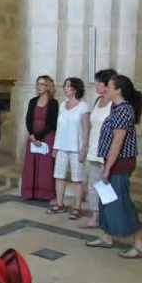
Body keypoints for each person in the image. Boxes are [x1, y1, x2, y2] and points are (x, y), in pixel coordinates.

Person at [86, 75, 142, 258]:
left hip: (120, 162)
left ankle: (139, 244)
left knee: (121, 201)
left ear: (118, 89)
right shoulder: (115, 107)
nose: (105, 89)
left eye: (109, 86)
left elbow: (117, 142)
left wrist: (107, 168)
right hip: (110, 160)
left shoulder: (124, 110)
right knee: (105, 201)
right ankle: (107, 236)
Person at [47, 77, 90, 220]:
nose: (65, 88)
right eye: (65, 86)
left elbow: (85, 129)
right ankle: (60, 204)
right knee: (59, 175)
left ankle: (77, 207)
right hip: (62, 146)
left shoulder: (83, 106)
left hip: (76, 147)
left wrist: (84, 147)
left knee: (77, 178)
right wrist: (55, 147)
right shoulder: (62, 104)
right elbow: (60, 128)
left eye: (68, 86)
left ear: (75, 89)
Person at [83, 69, 116, 228]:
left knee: (105, 187)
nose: (95, 84)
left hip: (105, 152)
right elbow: (91, 125)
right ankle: (95, 215)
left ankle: (108, 216)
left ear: (107, 84)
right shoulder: (97, 101)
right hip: (93, 149)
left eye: (98, 82)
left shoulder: (114, 104)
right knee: (93, 186)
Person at [21, 75, 58, 201]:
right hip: (33, 137)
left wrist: (39, 137)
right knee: (31, 165)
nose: (39, 87)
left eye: (42, 84)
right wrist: (32, 135)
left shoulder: (53, 103)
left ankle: (45, 194)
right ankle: (30, 193)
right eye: (38, 84)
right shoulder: (32, 101)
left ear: (48, 86)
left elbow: (52, 123)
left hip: (47, 137)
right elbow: (28, 119)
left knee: (45, 166)